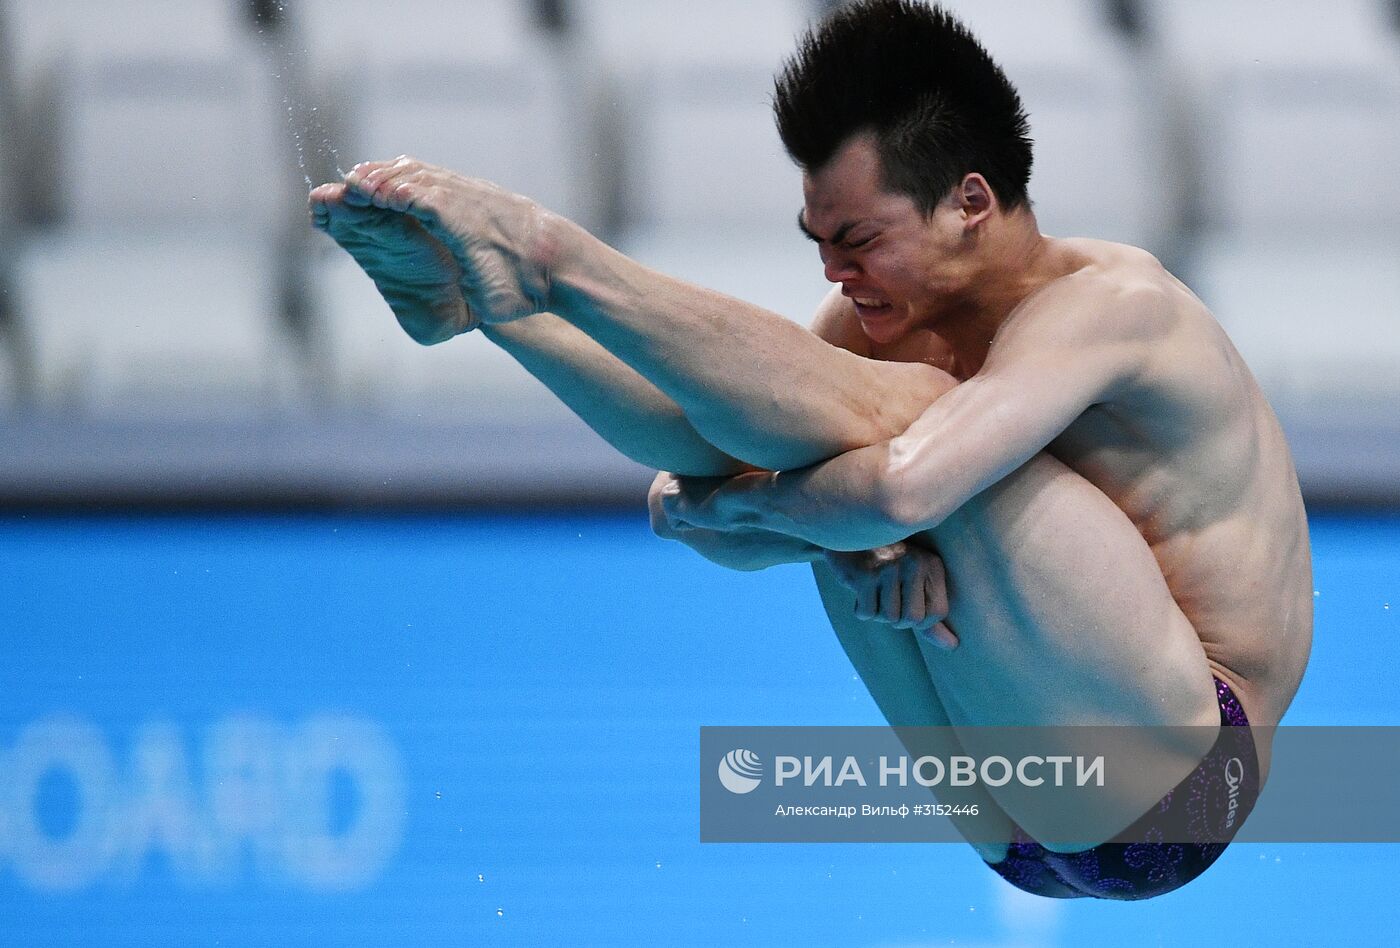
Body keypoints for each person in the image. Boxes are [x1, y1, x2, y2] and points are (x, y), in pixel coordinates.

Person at [307, 0, 1311, 900]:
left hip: (1186, 784)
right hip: (1011, 822)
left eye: (859, 239)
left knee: (903, 444)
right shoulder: (876, 319)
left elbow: (895, 485)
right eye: (816, 238)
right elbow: (700, 473)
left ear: (969, 202)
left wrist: (766, 516)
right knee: (836, 478)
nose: (833, 271)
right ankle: (489, 309)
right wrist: (761, 516)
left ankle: (553, 259)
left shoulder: (1111, 308)